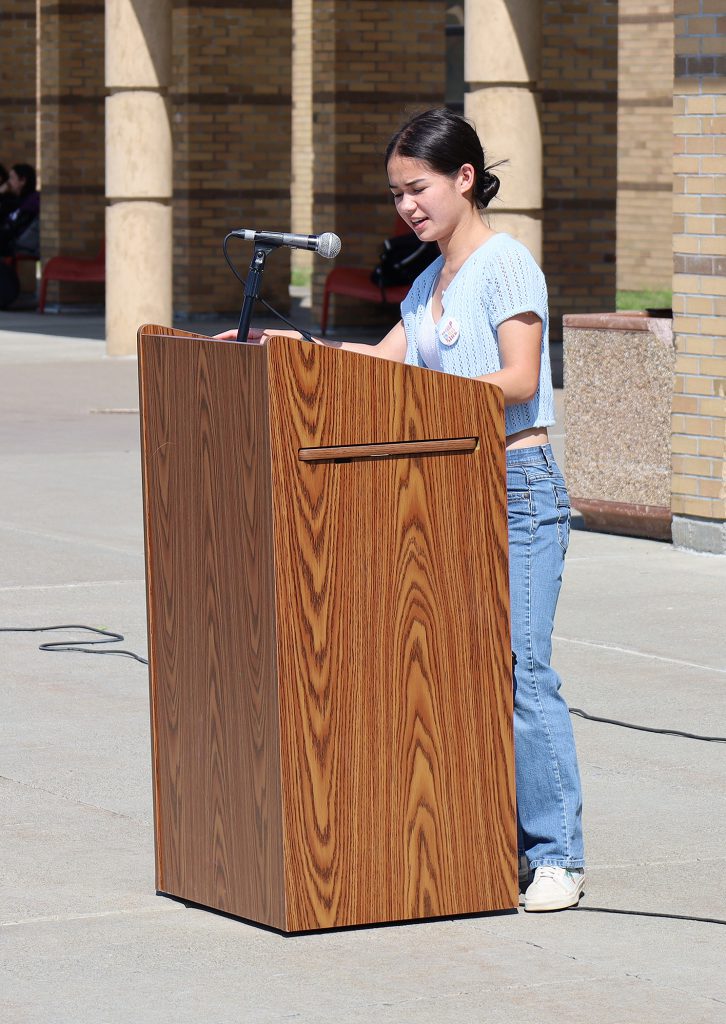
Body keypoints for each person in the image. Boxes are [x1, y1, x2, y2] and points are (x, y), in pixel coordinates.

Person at [217, 107, 585, 913]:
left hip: (518, 490)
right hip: (444, 491)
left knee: (524, 671)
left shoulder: (506, 264)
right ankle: (477, 840)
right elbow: (384, 368)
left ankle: (557, 856)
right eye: (395, 194)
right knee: (453, 675)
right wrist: (294, 353)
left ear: (463, 178)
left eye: (418, 188)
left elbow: (520, 381)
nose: (407, 207)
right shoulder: (428, 281)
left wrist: (425, 397)